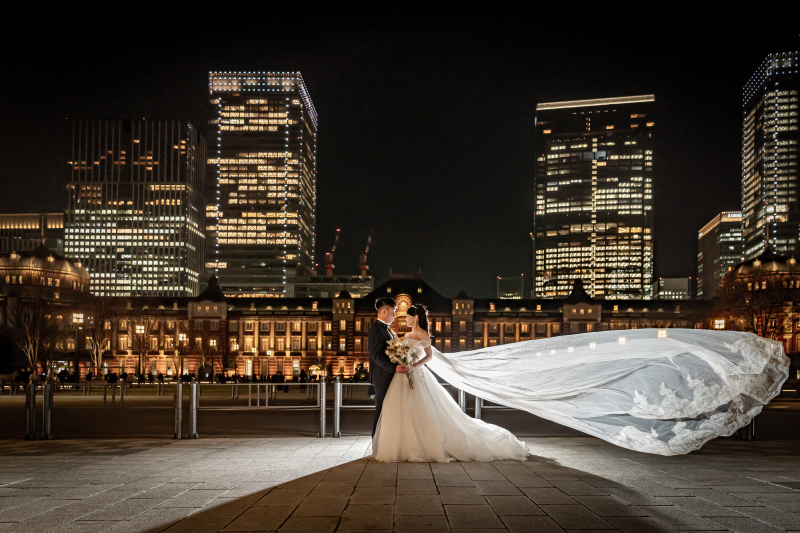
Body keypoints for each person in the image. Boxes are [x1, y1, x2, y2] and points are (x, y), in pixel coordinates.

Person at [372, 304, 528, 462]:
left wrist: (413, 365)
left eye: (408, 316)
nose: (405, 319)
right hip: (401, 376)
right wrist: (399, 360)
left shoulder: (423, 335)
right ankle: (402, 446)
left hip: (416, 373)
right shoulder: (406, 336)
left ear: (415, 317)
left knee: (421, 409)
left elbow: (428, 356)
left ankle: (421, 445)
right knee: (401, 409)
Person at [368, 296, 409, 437]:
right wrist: (394, 368)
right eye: (393, 312)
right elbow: (376, 355)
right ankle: (376, 442)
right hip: (382, 378)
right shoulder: (376, 330)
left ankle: (384, 440)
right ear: (384, 311)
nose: (395, 316)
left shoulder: (388, 330)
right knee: (380, 410)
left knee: (387, 410)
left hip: (387, 376)